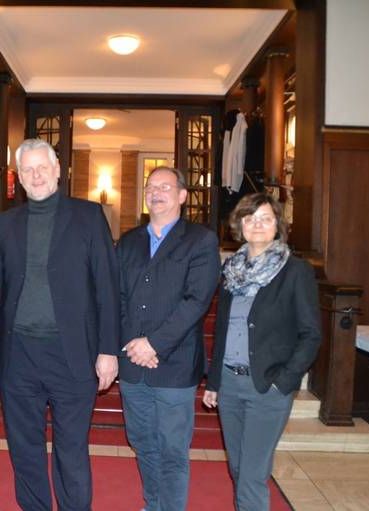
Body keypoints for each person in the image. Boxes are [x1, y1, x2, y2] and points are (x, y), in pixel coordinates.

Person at [0, 138, 119, 511]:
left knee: (72, 449)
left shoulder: (89, 215)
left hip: (72, 354)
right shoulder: (5, 224)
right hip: (19, 357)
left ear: (58, 170)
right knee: (24, 448)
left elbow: (107, 289)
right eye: (28, 169)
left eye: (42, 167)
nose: (36, 175)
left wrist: (108, 350)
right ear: (20, 176)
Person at [202, 192, 321, 511]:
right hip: (230, 384)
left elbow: (311, 334)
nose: (257, 224)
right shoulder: (231, 271)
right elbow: (223, 328)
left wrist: (284, 382)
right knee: (238, 468)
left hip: (267, 386)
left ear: (277, 226)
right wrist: (214, 381)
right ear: (239, 225)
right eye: (250, 218)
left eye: (265, 218)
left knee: (252, 474)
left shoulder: (295, 272)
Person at [118, 166, 220, 511]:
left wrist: (154, 344)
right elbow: (117, 298)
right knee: (143, 442)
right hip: (133, 365)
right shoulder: (129, 241)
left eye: (165, 186)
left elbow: (197, 302)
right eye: (150, 186)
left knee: (173, 450)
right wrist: (134, 343)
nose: (155, 192)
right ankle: (153, 504)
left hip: (174, 366)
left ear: (181, 195)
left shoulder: (201, 240)